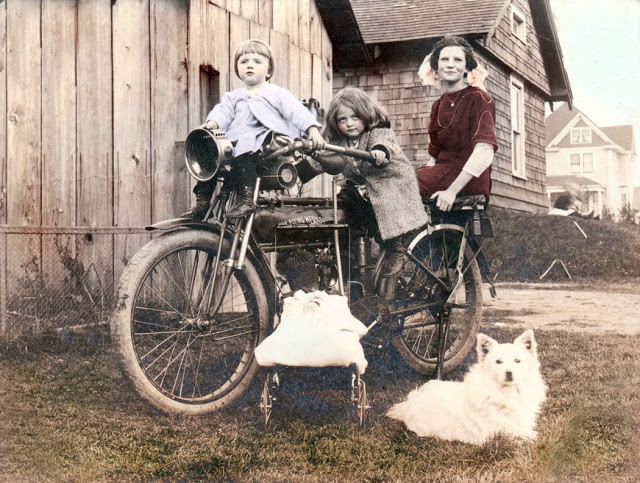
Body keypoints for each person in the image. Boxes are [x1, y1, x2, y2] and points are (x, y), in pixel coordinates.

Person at [184, 39, 325, 219]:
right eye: (244, 61)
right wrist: (213, 123)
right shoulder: (233, 96)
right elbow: (223, 111)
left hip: (267, 138)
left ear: (269, 71)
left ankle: (246, 199)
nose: (249, 65)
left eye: (257, 61)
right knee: (210, 150)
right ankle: (203, 202)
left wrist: (312, 130)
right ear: (237, 69)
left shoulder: (276, 93)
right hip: (237, 140)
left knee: (245, 142)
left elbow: (296, 111)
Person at [299, 86, 428, 280]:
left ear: (366, 115)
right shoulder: (340, 141)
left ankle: (397, 248)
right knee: (343, 202)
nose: (349, 124)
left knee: (385, 201)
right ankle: (349, 250)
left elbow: (383, 144)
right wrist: (296, 171)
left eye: (355, 117)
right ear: (335, 122)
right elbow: (320, 160)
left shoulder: (377, 131)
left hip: (391, 181)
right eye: (342, 119)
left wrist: (379, 152)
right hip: (364, 188)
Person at [415, 35, 498, 211]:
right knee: (400, 180)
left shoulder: (480, 98)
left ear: (467, 68)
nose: (450, 65)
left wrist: (451, 192)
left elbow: (485, 151)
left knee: (405, 182)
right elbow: (435, 157)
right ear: (436, 68)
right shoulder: (438, 104)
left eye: (457, 60)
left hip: (469, 178)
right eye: (444, 59)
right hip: (443, 173)